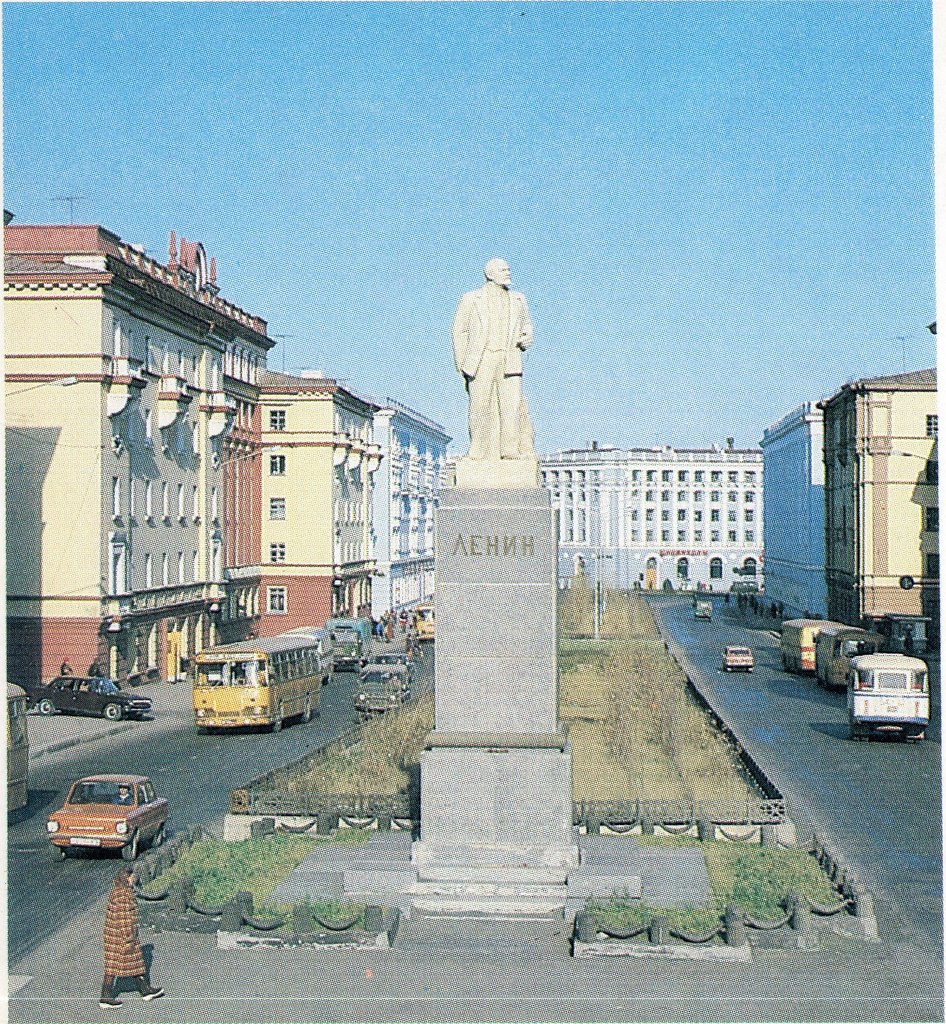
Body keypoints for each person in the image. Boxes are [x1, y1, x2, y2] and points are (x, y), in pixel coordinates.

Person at [452, 258, 536, 461]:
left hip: (510, 358)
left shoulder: (518, 299)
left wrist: (526, 337)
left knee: (512, 406)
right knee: (479, 406)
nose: (508, 273)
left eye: (508, 269)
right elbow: (459, 331)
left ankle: (510, 449)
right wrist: (463, 363)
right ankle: (477, 449)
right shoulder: (471, 299)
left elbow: (527, 327)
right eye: (503, 270)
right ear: (490, 274)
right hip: (482, 359)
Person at [99, 868, 164, 1008]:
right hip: (121, 936)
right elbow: (124, 919)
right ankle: (105, 998)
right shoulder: (123, 894)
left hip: (116, 935)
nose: (133, 879)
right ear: (126, 878)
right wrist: (129, 938)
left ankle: (146, 991)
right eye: (131, 877)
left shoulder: (119, 890)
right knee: (114, 967)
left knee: (133, 964)